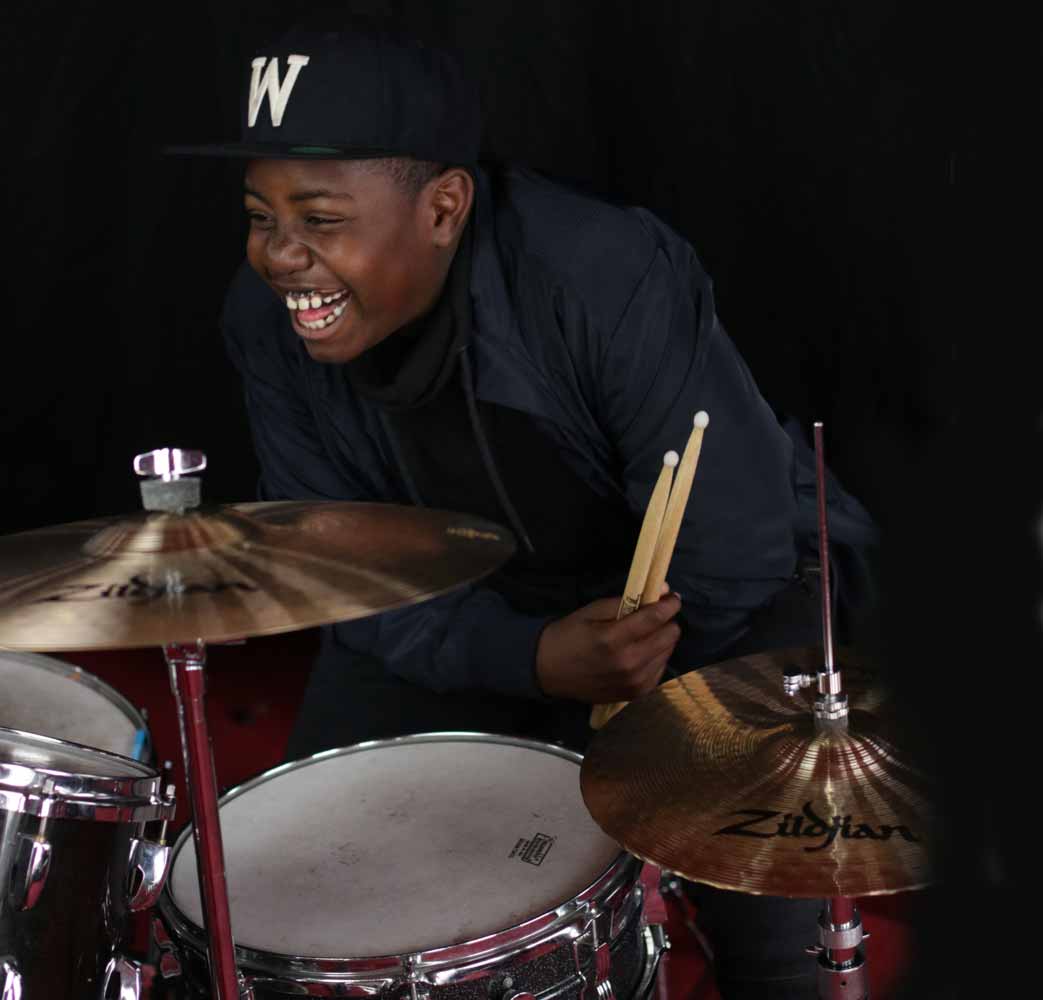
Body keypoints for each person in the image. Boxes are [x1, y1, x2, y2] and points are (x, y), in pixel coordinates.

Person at [171, 18, 877, 999]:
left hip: (706, 607)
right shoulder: (265, 326)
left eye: (320, 219)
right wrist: (529, 657)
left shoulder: (601, 272)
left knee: (760, 906)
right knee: (299, 877)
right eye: (260, 215)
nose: (280, 256)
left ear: (444, 207)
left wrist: (617, 694)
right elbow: (337, 566)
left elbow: (736, 542)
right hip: (476, 610)